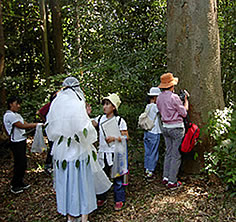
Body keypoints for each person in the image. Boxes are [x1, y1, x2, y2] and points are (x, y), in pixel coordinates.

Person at [45, 77, 112, 222]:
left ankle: (70, 216)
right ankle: (83, 217)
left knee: (67, 183)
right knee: (82, 183)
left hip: (61, 151)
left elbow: (50, 126)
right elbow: (83, 128)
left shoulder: (56, 103)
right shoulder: (77, 103)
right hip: (78, 151)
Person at [92, 93, 129, 211]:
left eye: (107, 104)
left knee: (117, 177)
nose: (104, 107)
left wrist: (114, 138)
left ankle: (119, 199)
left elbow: (126, 137)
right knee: (102, 175)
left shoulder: (119, 121)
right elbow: (89, 124)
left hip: (115, 153)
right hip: (102, 153)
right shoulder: (99, 119)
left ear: (114, 107)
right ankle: (101, 197)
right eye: (104, 104)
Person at [156, 73, 189, 190]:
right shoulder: (174, 97)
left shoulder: (159, 97)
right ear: (171, 86)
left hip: (165, 127)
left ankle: (166, 177)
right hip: (176, 128)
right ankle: (172, 181)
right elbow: (184, 113)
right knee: (176, 155)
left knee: (168, 152)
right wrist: (185, 101)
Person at [3, 96, 38, 194]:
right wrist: (36, 125)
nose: (18, 106)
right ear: (10, 104)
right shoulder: (9, 115)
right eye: (16, 103)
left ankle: (20, 182)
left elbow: (25, 124)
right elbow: (21, 125)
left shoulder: (17, 115)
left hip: (22, 140)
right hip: (15, 142)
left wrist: (35, 125)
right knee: (19, 163)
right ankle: (15, 185)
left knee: (23, 162)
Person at [143, 87, 162, 180]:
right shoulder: (155, 107)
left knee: (148, 151)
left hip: (147, 132)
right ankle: (150, 171)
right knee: (153, 152)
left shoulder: (147, 106)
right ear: (154, 98)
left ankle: (147, 169)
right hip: (154, 132)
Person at [36, 92, 57, 174]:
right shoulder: (50, 105)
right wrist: (46, 121)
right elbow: (39, 112)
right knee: (52, 146)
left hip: (58, 129)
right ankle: (48, 165)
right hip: (51, 129)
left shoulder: (60, 106)